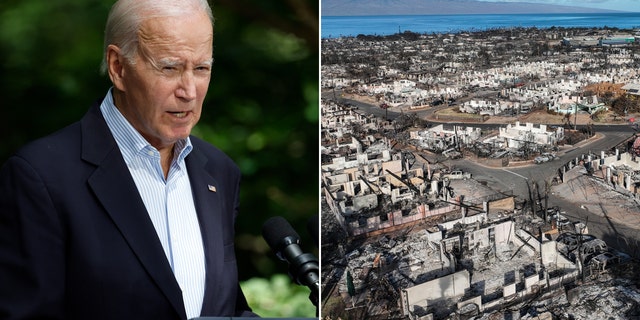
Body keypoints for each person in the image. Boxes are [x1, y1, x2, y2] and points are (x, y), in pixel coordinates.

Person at [0, 0, 259, 319]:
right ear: (118, 67)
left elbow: (226, 308)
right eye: (170, 68)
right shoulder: (41, 176)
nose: (189, 91)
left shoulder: (218, 171)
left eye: (202, 68)